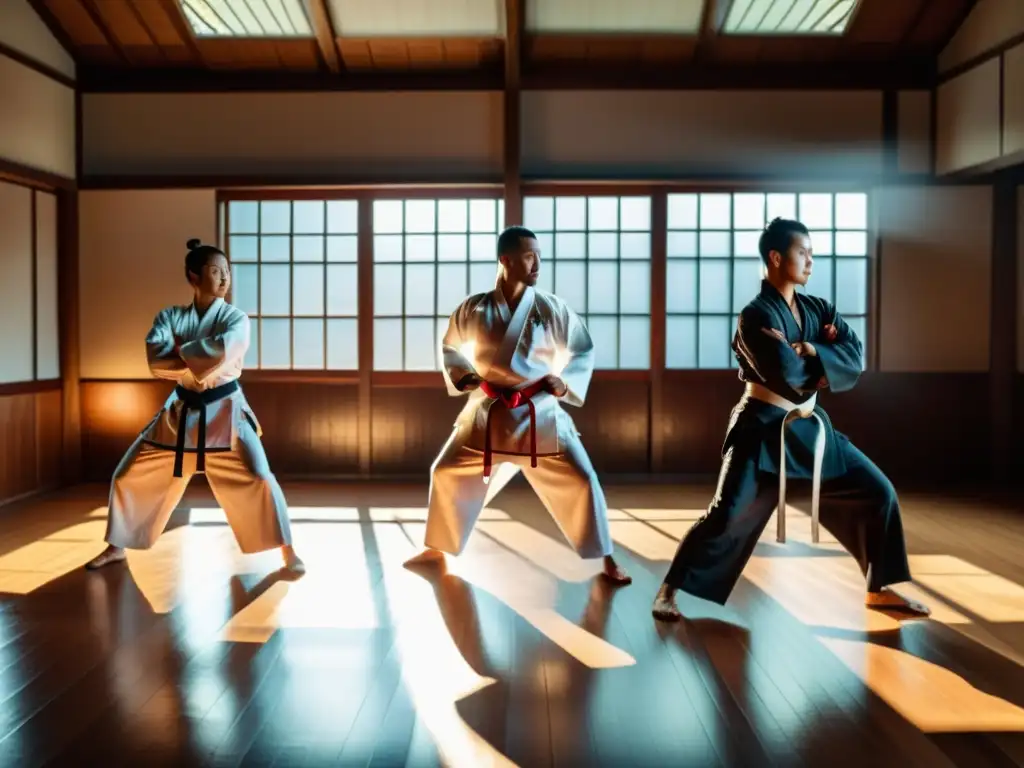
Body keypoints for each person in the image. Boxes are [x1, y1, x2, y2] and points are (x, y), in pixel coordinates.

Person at [652, 217, 928, 621]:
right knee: (726, 514)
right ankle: (668, 590)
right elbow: (788, 375)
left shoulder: (817, 309)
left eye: (812, 253)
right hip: (761, 428)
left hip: (810, 427)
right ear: (776, 257)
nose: (811, 261)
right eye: (803, 252)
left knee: (878, 492)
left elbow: (854, 355)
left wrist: (813, 350)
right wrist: (818, 362)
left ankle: (879, 588)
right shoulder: (755, 316)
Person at [406, 226, 631, 585]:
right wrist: (468, 377)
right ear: (505, 260)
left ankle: (606, 558)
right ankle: (436, 549)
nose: (537, 263)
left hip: (538, 413)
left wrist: (565, 380)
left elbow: (582, 348)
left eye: (539, 255)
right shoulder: (474, 308)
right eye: (529, 256)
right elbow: (450, 347)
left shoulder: (551, 307)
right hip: (489, 414)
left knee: (584, 480)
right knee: (445, 471)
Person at [86, 239, 304, 574]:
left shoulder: (236, 318)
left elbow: (220, 352)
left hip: (226, 409)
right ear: (193, 276)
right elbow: (154, 360)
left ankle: (287, 552)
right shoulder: (170, 315)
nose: (224, 278)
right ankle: (117, 545)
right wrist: (193, 357)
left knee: (259, 477)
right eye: (215, 271)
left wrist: (180, 352)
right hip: (180, 412)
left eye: (227, 272)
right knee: (127, 476)